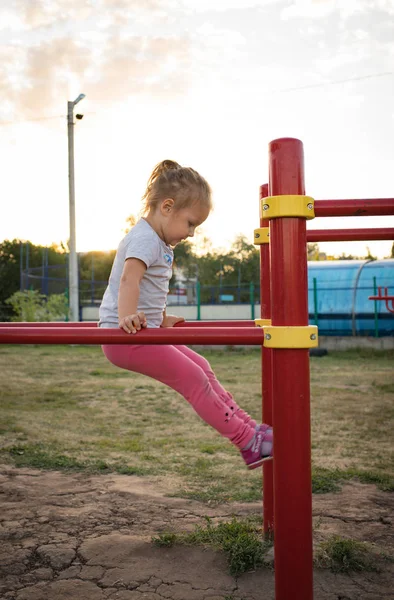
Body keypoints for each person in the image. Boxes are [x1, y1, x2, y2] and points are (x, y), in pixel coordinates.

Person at [99, 160, 273, 469]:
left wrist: (159, 317)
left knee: (201, 366)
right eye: (190, 223)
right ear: (167, 207)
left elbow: (153, 287)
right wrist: (128, 317)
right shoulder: (143, 239)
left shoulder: (159, 241)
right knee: (192, 378)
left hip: (142, 331)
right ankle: (247, 441)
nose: (191, 233)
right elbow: (129, 280)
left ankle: (250, 428)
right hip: (125, 336)